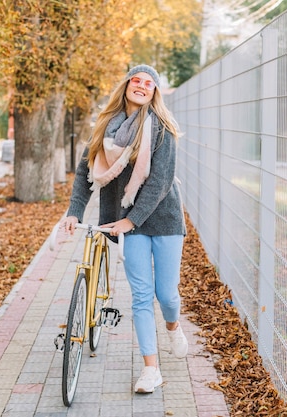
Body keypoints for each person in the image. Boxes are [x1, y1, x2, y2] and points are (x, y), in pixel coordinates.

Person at [64, 64, 188, 394]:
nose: (142, 86)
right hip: (127, 224)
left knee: (167, 295)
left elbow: (159, 182)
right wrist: (74, 213)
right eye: (137, 80)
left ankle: (173, 326)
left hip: (164, 221)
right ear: (127, 85)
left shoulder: (162, 129)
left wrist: (130, 220)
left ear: (154, 92)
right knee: (142, 297)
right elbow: (84, 171)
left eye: (149, 83)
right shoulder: (106, 127)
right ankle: (151, 370)